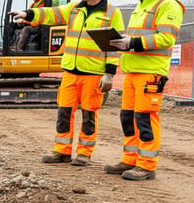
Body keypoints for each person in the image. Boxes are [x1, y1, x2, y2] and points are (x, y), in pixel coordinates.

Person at [11, 0, 124, 167]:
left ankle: (84, 153)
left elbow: (115, 45)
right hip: (71, 71)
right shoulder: (74, 8)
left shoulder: (112, 13)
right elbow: (51, 13)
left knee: (89, 115)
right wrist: (28, 14)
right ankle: (62, 151)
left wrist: (109, 73)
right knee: (64, 112)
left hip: (93, 73)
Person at [106, 0, 185, 180]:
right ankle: (130, 159)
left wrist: (131, 42)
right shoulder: (142, 6)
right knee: (127, 117)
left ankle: (147, 166)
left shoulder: (168, 4)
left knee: (145, 119)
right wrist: (123, 41)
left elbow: (166, 38)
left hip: (150, 72)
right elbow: (138, 38)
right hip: (133, 70)